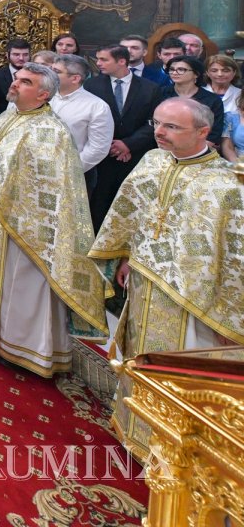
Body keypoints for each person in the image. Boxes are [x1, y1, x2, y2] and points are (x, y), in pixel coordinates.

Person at [89, 98, 243, 462]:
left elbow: (236, 254)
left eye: (172, 127)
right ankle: (133, 424)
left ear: (204, 132)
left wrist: (230, 315)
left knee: (179, 367)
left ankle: (173, 448)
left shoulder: (227, 185)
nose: (159, 132)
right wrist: (126, 255)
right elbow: (134, 212)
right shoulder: (153, 160)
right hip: (145, 281)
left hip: (192, 299)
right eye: (157, 123)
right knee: (140, 353)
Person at [0, 63, 109, 377]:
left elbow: (50, 191)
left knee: (21, 284)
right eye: (17, 79)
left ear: (42, 95)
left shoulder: (51, 132)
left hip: (28, 230)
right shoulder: (10, 116)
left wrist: (8, 199)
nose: (15, 84)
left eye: (25, 82)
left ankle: (20, 347)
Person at [84, 44, 171, 233]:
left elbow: (154, 122)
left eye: (104, 59)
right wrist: (110, 144)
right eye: (98, 59)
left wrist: (128, 144)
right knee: (99, 204)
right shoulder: (91, 85)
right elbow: (88, 119)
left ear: (121, 61)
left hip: (135, 155)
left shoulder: (150, 88)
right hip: (103, 156)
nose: (98, 63)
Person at [49, 55, 114, 198]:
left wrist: (68, 169)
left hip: (75, 173)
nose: (50, 74)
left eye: (57, 71)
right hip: (38, 170)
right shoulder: (43, 96)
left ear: (75, 78)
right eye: (51, 69)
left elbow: (98, 147)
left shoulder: (97, 106)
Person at [164, 56, 224, 147]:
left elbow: (214, 134)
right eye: (171, 69)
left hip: (199, 148)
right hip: (163, 145)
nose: (174, 73)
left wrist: (193, 151)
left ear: (196, 74)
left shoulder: (212, 99)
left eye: (181, 69)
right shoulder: (160, 94)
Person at [0, 38, 31, 123]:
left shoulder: (35, 75)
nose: (21, 58)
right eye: (16, 54)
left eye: (25, 55)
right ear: (7, 55)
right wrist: (4, 122)